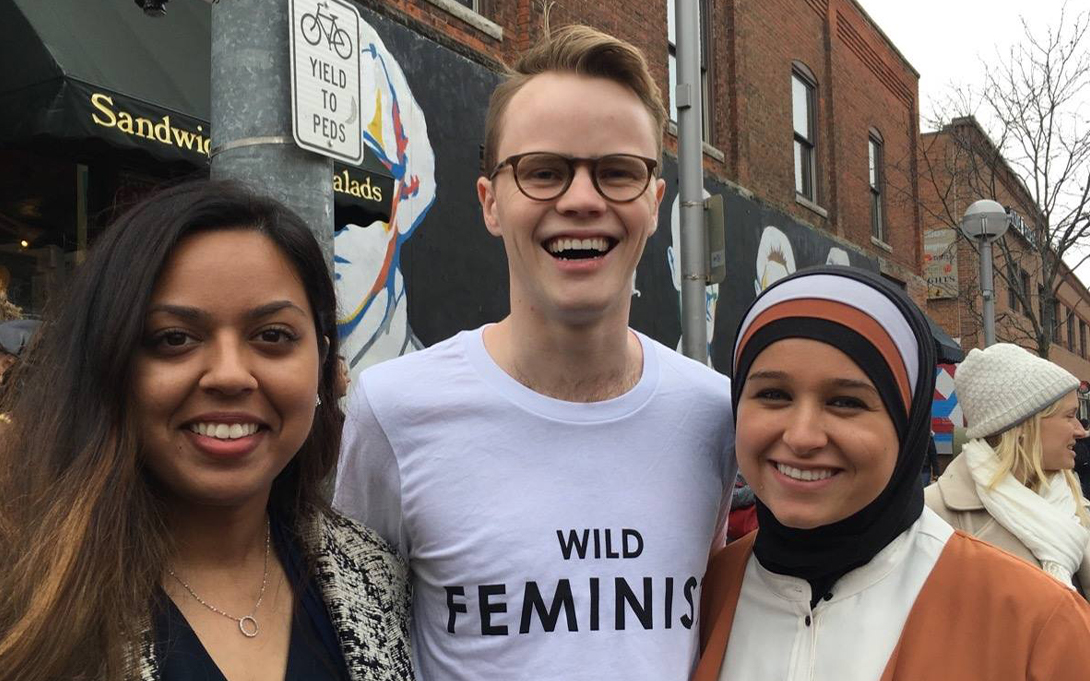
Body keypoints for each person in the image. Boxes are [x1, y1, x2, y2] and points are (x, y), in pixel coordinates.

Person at [334, 24, 735, 681]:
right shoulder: (391, 414)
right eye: (543, 172)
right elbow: (354, 640)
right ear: (491, 203)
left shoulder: (713, 415)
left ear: (655, 202)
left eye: (617, 173)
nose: (582, 200)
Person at [0, 181, 412, 681]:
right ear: (108, 366)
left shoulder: (376, 575)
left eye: (273, 336)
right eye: (174, 338)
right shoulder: (20, 592)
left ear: (322, 362)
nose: (230, 375)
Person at [695, 267, 1090, 681]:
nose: (802, 436)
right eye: (773, 395)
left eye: (845, 402)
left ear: (908, 423)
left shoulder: (1036, 622)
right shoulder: (701, 596)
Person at [925, 343, 1090, 597]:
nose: (1080, 430)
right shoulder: (935, 516)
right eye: (1069, 416)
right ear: (1024, 425)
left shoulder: (1071, 497)